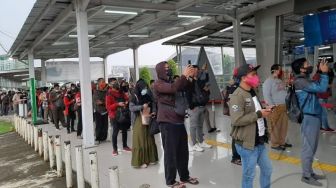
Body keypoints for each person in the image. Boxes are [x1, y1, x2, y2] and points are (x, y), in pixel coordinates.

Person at [154, 61, 199, 188]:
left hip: (179, 121)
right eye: (166, 68)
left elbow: (187, 87)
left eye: (169, 68)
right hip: (168, 123)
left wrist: (191, 77)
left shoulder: (171, 82)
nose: (168, 70)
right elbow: (174, 88)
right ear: (160, 71)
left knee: (183, 152)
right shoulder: (158, 84)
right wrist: (183, 76)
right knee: (170, 153)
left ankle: (184, 176)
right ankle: (171, 181)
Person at [229, 64, 273, 188]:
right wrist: (259, 114)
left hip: (259, 141)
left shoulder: (252, 92)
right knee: (249, 176)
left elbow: (254, 111)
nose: (256, 77)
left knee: (268, 170)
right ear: (243, 78)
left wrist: (264, 110)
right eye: (253, 75)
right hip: (247, 144)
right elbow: (236, 120)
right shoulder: (237, 95)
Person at [291, 58, 329, 186]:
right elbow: (321, 88)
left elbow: (315, 85)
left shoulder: (305, 79)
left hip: (314, 116)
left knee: (313, 147)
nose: (309, 66)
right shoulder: (300, 82)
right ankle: (306, 176)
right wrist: (324, 73)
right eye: (307, 64)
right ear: (301, 68)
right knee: (308, 148)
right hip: (309, 117)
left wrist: (319, 71)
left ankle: (310, 172)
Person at [129, 79, 158, 168]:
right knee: (140, 140)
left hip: (148, 117)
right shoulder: (134, 96)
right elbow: (131, 108)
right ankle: (140, 162)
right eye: (143, 87)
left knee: (149, 137)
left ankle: (151, 159)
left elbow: (153, 103)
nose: (145, 89)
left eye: (146, 87)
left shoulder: (148, 94)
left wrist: (153, 111)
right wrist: (142, 106)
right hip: (138, 119)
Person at [263, 64, 292, 151]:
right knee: (275, 126)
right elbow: (267, 95)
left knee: (284, 125)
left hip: (284, 106)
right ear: (274, 71)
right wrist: (272, 107)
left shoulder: (279, 80)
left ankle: (282, 142)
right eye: (280, 70)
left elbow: (284, 91)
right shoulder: (268, 82)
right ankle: (275, 144)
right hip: (275, 107)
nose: (281, 72)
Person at [187, 64, 212, 152]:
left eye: (197, 71)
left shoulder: (198, 81)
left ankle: (201, 141)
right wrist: (191, 106)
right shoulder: (189, 81)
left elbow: (205, 80)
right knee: (193, 126)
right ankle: (194, 144)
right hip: (194, 107)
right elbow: (188, 94)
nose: (196, 72)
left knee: (200, 126)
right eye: (194, 70)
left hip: (201, 106)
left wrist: (205, 71)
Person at [106, 80, 131, 156]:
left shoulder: (120, 92)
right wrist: (117, 104)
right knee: (115, 132)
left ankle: (125, 146)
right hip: (114, 116)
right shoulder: (108, 94)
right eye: (114, 84)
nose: (117, 87)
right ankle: (115, 149)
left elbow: (127, 98)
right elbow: (108, 107)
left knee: (124, 130)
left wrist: (126, 102)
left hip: (123, 114)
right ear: (111, 86)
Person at [312, 61, 335, 132]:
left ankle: (320, 126)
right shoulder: (317, 75)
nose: (327, 67)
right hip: (320, 97)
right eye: (325, 65)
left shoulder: (323, 75)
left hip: (324, 97)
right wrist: (330, 85)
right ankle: (327, 128)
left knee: (321, 113)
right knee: (324, 113)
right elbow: (317, 86)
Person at [93, 78, 109, 142]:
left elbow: (108, 101)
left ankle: (104, 138)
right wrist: (104, 102)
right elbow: (98, 102)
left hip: (105, 111)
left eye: (104, 82)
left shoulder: (106, 91)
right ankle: (98, 138)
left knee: (105, 125)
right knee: (98, 125)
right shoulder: (96, 92)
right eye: (102, 82)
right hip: (98, 111)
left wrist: (104, 102)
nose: (103, 83)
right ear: (99, 83)